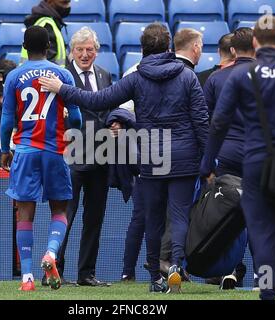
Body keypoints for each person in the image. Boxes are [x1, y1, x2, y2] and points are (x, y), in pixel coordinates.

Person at [39, 22, 209, 293]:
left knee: (152, 219)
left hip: (153, 154)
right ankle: (175, 265)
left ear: (142, 49)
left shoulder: (137, 77)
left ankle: (156, 277)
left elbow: (99, 100)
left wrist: (62, 89)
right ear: (168, 47)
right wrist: (206, 158)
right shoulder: (187, 77)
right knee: (179, 217)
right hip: (185, 154)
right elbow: (201, 121)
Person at [200, 16, 275, 300]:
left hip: (254, 162)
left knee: (260, 228)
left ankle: (267, 288)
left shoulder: (241, 75)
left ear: (254, 42)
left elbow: (218, 122)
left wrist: (207, 163)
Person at [0, 26, 82, 291]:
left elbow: (6, 120)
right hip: (53, 151)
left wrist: (5, 149)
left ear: (24, 47)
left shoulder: (14, 76)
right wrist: (71, 131)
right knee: (60, 209)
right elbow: (77, 118)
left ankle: (26, 278)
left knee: (24, 213)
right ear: (49, 47)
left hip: (24, 150)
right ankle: (50, 253)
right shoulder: (63, 74)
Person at [55, 27, 114, 287]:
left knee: (94, 218)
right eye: (80, 49)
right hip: (71, 156)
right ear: (71, 52)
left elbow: (110, 107)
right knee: (65, 215)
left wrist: (116, 123)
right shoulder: (62, 76)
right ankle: (54, 270)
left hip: (101, 155)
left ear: (97, 52)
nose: (85, 54)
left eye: (89, 49)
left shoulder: (105, 75)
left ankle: (86, 274)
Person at [202, 27, 256, 289]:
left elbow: (209, 123)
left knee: (228, 216)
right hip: (260, 156)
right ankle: (263, 275)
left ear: (232, 50)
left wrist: (206, 164)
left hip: (228, 156)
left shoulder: (216, 78)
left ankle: (229, 270)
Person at [21, 0, 71, 66]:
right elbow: (44, 65)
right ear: (49, 1)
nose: (68, 7)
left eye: (68, 3)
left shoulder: (46, 22)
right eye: (64, 3)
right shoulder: (46, 25)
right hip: (48, 75)